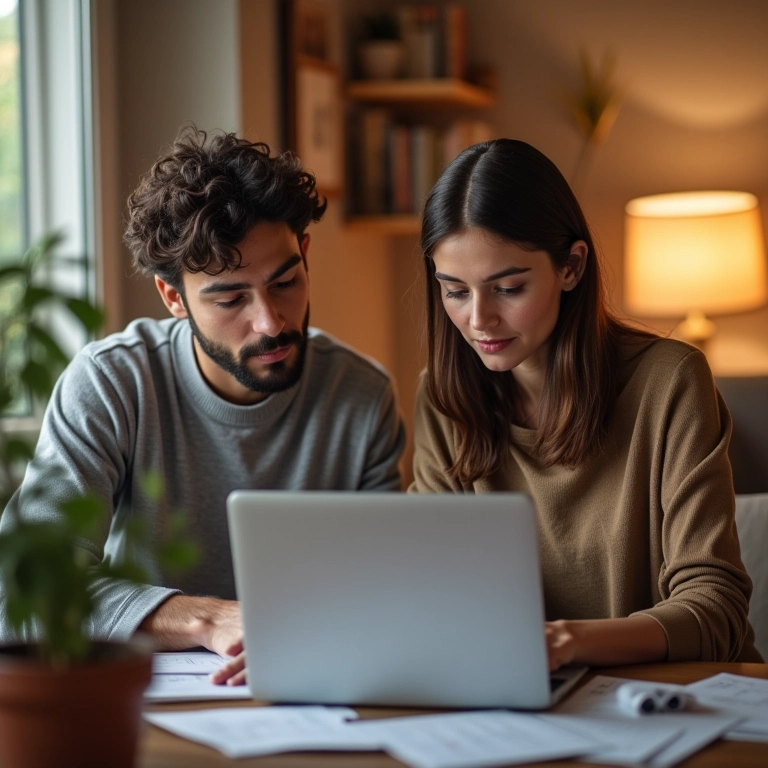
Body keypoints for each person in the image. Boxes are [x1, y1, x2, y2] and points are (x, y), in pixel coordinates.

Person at [0, 128, 405, 684]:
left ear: (305, 254)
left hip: (318, 691)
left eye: (285, 281)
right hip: (148, 706)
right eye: (231, 297)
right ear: (174, 298)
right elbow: (25, 591)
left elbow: (388, 589)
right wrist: (209, 619)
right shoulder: (114, 384)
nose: (270, 321)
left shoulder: (361, 398)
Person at [411, 138, 761, 668]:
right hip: (530, 702)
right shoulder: (443, 397)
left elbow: (717, 609)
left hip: (683, 700)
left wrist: (569, 643)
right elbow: (428, 587)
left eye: (507, 288)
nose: (478, 320)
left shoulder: (670, 382)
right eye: (455, 291)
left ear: (572, 267)